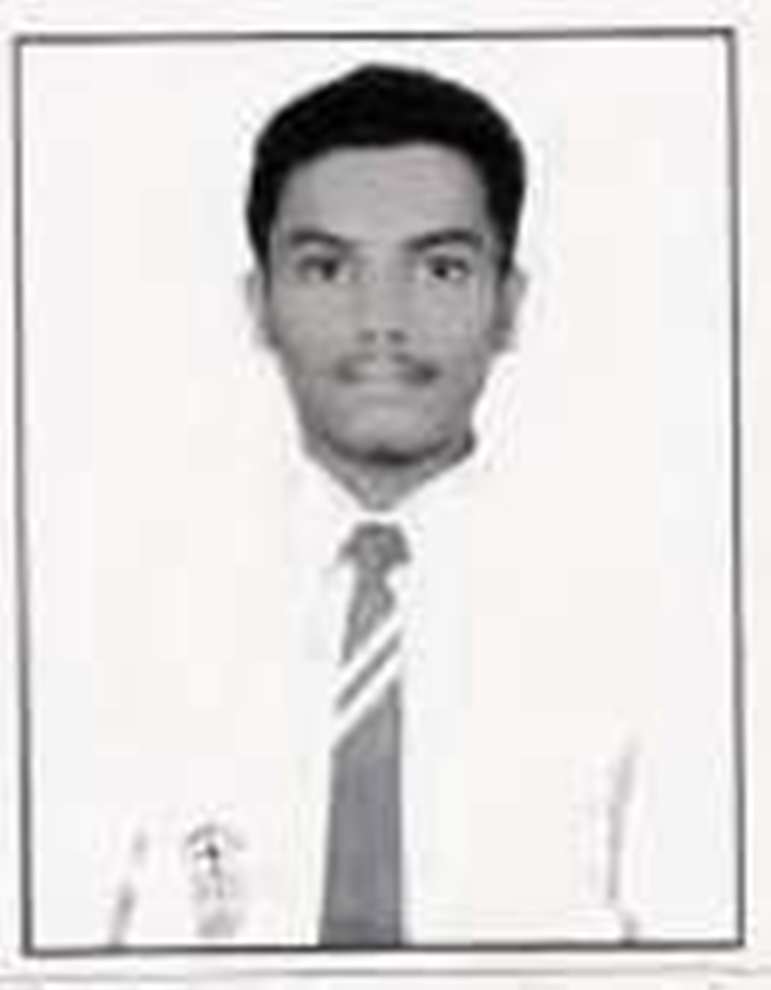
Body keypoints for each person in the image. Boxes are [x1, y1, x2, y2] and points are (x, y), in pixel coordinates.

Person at [37, 62, 735, 950]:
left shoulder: (652, 624)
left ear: (508, 305)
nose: (381, 321)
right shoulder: (123, 617)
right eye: (326, 268)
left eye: (440, 268)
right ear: (258, 305)